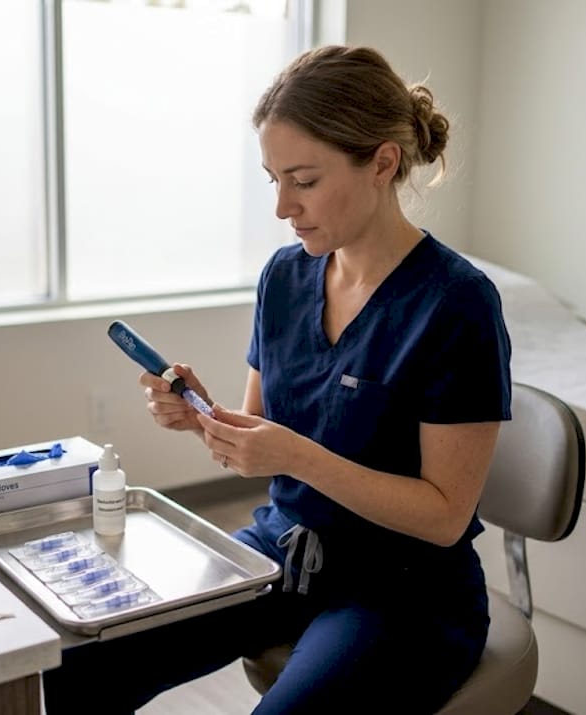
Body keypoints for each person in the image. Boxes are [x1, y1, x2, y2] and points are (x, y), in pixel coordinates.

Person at [44, 44, 511, 714]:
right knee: (76, 669)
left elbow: (443, 517)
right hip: (282, 553)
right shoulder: (285, 278)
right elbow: (258, 437)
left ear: (381, 162)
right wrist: (202, 416)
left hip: (404, 590)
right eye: (273, 180)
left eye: (305, 180)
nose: (284, 207)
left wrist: (295, 455)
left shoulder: (455, 304)